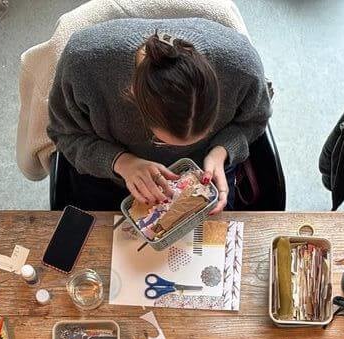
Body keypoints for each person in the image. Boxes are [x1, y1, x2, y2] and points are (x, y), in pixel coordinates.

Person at [48, 18, 271, 212]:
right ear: (133, 96)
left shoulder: (242, 69)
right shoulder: (83, 64)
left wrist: (221, 151)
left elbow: (254, 120)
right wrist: (122, 162)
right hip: (114, 180)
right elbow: (65, 135)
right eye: (163, 143)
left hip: (207, 173)